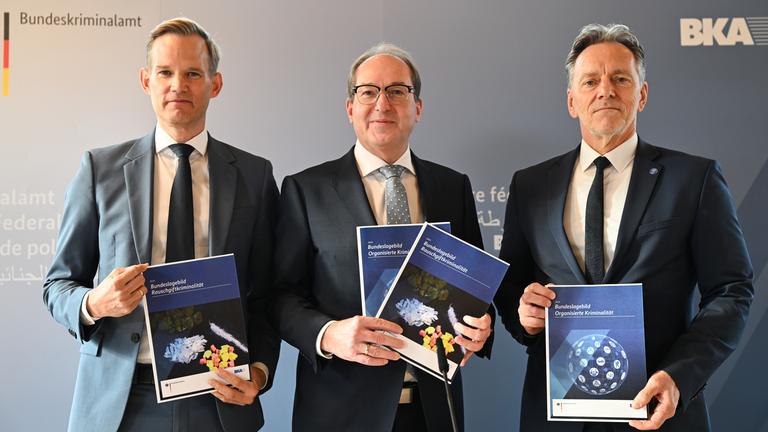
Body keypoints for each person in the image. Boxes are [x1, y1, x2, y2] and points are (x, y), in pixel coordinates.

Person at [494, 23, 753, 432]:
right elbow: (510, 285)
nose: (605, 90)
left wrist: (679, 376)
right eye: (591, 81)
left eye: (620, 79)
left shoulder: (693, 178)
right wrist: (521, 313)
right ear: (571, 101)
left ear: (642, 95)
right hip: (557, 415)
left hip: (658, 410)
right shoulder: (531, 185)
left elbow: (731, 291)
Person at [43, 17, 280, 432]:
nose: (178, 85)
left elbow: (267, 294)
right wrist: (94, 304)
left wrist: (257, 372)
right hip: (121, 400)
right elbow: (58, 285)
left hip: (219, 398)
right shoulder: (100, 170)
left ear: (216, 84)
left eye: (193, 73)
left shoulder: (255, 176)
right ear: (145, 80)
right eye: (165, 72)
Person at [273, 42, 494, 432]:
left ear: (418, 108)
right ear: (350, 108)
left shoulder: (451, 187)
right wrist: (329, 334)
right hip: (340, 411)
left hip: (435, 411)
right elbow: (280, 295)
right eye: (368, 92)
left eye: (397, 91)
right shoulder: (306, 190)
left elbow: (477, 291)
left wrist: (482, 325)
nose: (382, 103)